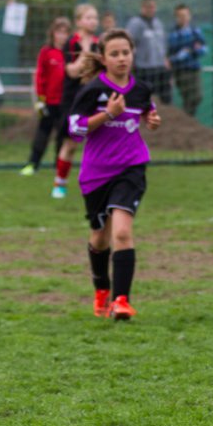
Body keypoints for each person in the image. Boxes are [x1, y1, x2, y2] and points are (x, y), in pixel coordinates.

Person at [65, 29, 161, 321]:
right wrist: (108, 114)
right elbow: (74, 128)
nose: (122, 59)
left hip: (131, 168)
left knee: (121, 231)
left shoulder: (141, 89)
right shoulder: (93, 90)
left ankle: (122, 301)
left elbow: (148, 111)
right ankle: (101, 288)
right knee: (99, 237)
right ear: (104, 59)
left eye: (126, 53)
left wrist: (151, 119)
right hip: (96, 174)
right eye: (115, 54)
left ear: (133, 54)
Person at [52, 3, 101, 200]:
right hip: (74, 99)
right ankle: (59, 184)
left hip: (95, 97)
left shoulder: (100, 42)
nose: (92, 21)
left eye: (95, 18)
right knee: (71, 144)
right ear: (79, 21)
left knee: (99, 143)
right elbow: (71, 71)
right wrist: (84, 57)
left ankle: (97, 182)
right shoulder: (72, 43)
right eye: (88, 18)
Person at [20, 17, 71, 177]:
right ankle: (33, 164)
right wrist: (40, 101)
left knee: (62, 136)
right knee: (42, 134)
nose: (62, 36)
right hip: (48, 102)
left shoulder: (71, 53)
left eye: (65, 32)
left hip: (66, 102)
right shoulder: (46, 52)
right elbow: (40, 76)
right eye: (59, 32)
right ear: (53, 33)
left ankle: (59, 166)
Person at [125, 0, 171, 104]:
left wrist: (165, 59)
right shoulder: (135, 23)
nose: (151, 9)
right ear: (142, 8)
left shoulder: (158, 23)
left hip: (160, 66)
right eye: (148, 7)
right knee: (143, 96)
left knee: (166, 97)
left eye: (153, 7)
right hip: (143, 68)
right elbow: (129, 43)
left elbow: (162, 43)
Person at [167, 4, 205, 117]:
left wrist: (190, 51)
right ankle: (186, 120)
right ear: (176, 17)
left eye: (185, 15)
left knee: (197, 97)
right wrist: (181, 55)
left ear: (189, 16)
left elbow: (203, 48)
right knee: (187, 97)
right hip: (180, 71)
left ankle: (186, 119)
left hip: (194, 69)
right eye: (180, 15)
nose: (183, 18)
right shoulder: (173, 34)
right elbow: (170, 55)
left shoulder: (195, 31)